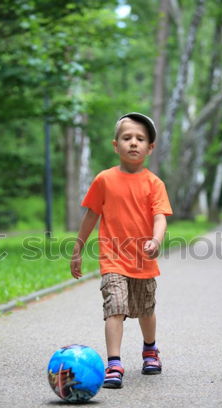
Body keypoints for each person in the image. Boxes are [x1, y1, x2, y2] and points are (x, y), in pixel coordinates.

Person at [70, 112, 173, 389]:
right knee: (114, 307)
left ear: (150, 148)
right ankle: (114, 363)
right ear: (116, 145)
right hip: (112, 259)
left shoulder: (154, 183)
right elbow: (91, 214)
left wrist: (156, 240)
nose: (133, 143)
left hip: (143, 261)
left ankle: (150, 350)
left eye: (140, 139)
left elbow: (160, 215)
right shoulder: (104, 179)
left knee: (145, 310)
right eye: (127, 138)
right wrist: (78, 248)